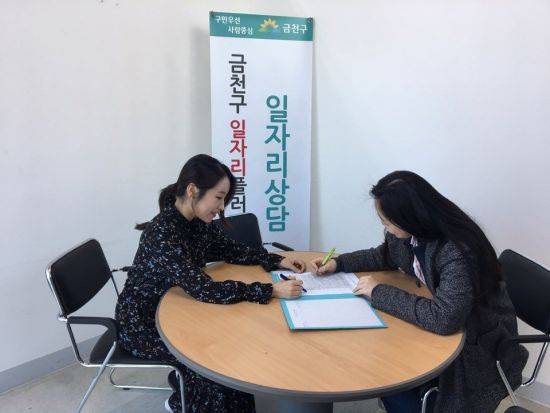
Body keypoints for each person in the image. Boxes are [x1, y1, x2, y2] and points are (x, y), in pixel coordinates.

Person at [311, 171, 528, 413]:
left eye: (388, 222)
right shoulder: (411, 234)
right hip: (449, 329)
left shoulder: (457, 250)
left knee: (390, 379)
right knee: (384, 362)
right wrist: (338, 263)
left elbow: (444, 318)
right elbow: (384, 256)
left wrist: (378, 292)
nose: (386, 228)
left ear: (410, 217)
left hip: (477, 350)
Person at [115, 154, 305, 413]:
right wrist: (269, 290)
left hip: (182, 307)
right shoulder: (161, 234)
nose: (222, 207)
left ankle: (188, 393)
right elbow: (204, 289)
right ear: (193, 190)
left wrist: (276, 259)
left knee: (229, 350)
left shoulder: (196, 222)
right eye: (218, 197)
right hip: (145, 323)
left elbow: (230, 249)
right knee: (216, 363)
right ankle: (185, 400)